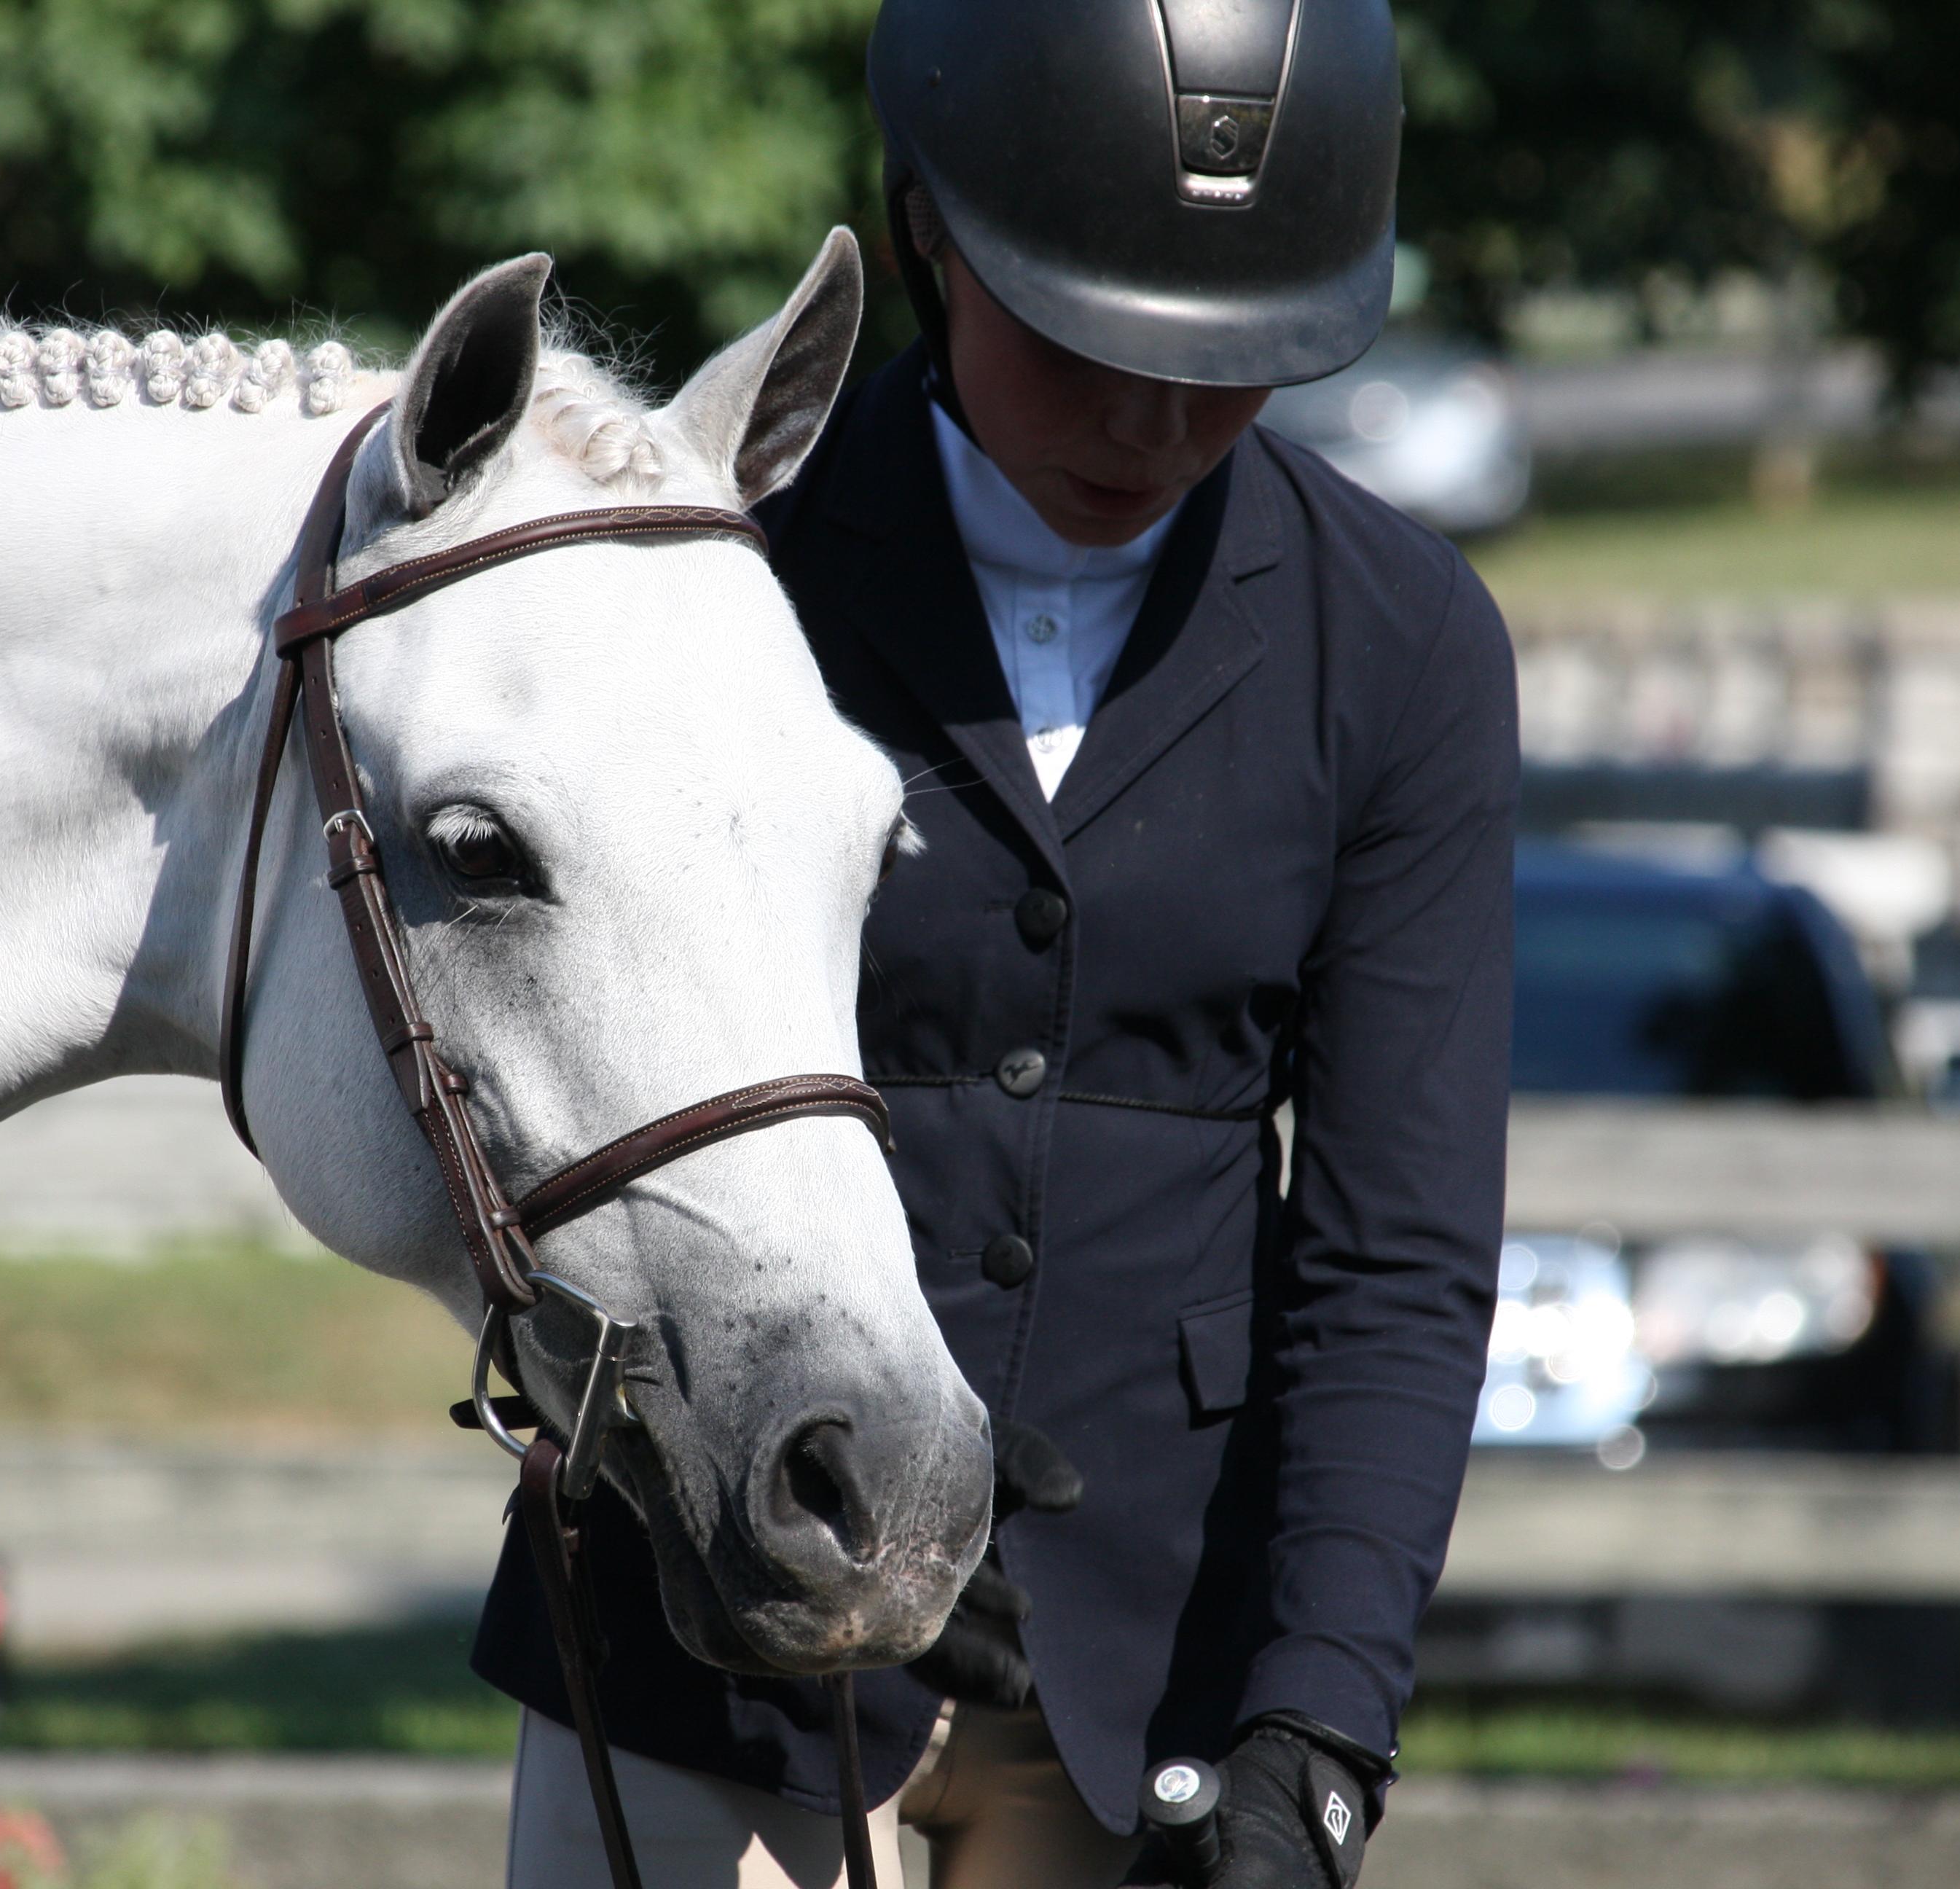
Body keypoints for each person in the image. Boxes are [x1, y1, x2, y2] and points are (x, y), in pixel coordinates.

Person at [474, 1, 1515, 1883]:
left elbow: (1399, 1254)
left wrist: (1322, 1728)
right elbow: (554, 1121)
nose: (1154, 421)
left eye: (1227, 367)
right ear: (936, 231)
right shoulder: (723, 578)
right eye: (1089, 342)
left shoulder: (1406, 647)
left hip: (1148, 1686)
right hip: (708, 1651)